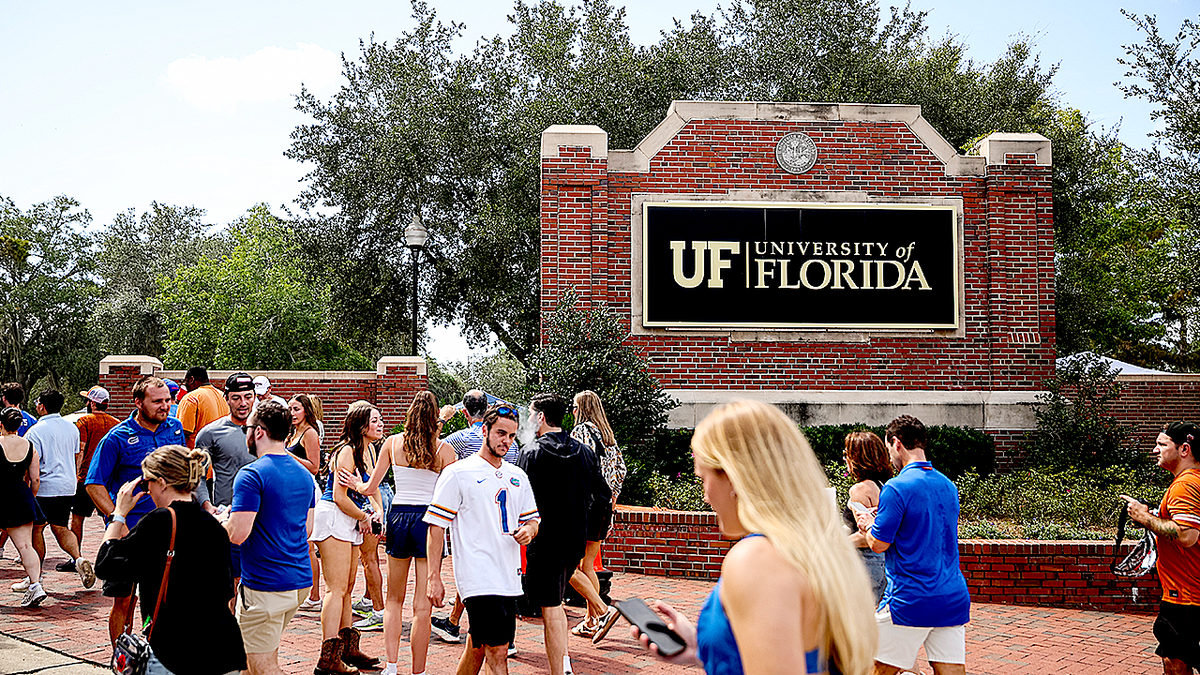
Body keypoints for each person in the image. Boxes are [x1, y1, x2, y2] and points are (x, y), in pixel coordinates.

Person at [632, 400, 877, 675]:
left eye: (703, 478)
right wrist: (706, 651)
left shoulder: (756, 560)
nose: (705, 497)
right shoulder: (809, 550)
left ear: (733, 477)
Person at [94, 445, 247, 675]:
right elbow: (226, 592)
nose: (148, 491)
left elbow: (105, 564)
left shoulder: (160, 521)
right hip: (224, 648)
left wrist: (119, 514)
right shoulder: (213, 525)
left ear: (162, 482)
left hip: (177, 652)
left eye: (147, 483)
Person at [341, 391, 456, 675]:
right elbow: (453, 496)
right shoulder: (444, 451)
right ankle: (419, 670)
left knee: (393, 599)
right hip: (430, 520)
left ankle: (392, 666)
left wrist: (356, 483)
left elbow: (371, 488)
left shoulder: (392, 444)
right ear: (435, 418)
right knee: (422, 606)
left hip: (400, 517)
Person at [426, 403, 539, 675]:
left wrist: (530, 530)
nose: (506, 441)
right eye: (501, 433)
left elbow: (533, 520)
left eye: (512, 436)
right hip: (477, 576)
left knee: (476, 648)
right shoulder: (457, 473)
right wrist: (434, 576)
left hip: (508, 576)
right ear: (485, 430)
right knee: (498, 651)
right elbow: (436, 527)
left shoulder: (517, 475)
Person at [854, 415, 971, 675]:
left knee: (867, 669)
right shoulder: (948, 486)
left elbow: (878, 545)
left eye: (888, 450)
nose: (890, 458)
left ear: (896, 443)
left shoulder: (896, 488)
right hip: (951, 597)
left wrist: (866, 525)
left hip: (910, 599)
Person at [85, 375, 187, 645]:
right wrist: (117, 519)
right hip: (130, 532)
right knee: (125, 600)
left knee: (165, 598)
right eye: (157, 401)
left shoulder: (175, 429)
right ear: (138, 402)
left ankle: (156, 655)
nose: (165, 406)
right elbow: (94, 484)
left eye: (168, 400)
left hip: (169, 529)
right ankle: (121, 658)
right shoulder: (117, 438)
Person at [518, 393, 610, 675]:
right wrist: (587, 523)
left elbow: (517, 494)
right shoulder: (585, 452)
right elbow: (603, 494)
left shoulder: (532, 452)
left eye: (532, 414)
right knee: (554, 601)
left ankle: (561, 667)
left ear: (542, 417)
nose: (530, 419)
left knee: (552, 606)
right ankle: (563, 663)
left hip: (543, 538)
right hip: (574, 539)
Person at [223, 401, 317, 675]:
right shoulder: (303, 474)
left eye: (247, 428)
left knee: (261, 667)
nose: (246, 433)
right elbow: (307, 529)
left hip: (266, 586)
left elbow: (238, 534)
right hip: (297, 580)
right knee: (251, 664)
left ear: (259, 432)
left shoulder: (252, 474)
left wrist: (221, 523)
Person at [431, 390, 513, 644]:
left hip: (472, 513)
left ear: (465, 412)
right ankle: (464, 624)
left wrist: (442, 419)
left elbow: (427, 446)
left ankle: (467, 627)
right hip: (505, 513)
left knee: (473, 569)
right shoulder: (511, 442)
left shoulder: (461, 438)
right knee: (502, 570)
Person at [310, 403, 385, 674]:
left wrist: (377, 511)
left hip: (353, 518)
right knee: (336, 587)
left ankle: (347, 648)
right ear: (361, 424)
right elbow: (340, 497)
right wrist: (364, 517)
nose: (380, 424)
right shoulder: (346, 451)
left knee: (348, 585)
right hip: (334, 516)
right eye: (375, 420)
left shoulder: (371, 449)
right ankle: (327, 657)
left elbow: (372, 487)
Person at [1122, 421, 1200, 675]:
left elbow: (1187, 534)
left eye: (1162, 444)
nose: (1155, 450)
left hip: (1187, 596)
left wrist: (1145, 518)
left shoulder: (1185, 485)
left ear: (1184, 449)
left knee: (1174, 661)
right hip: (1189, 593)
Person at [566, 390, 626, 642]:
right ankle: (592, 620)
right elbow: (621, 469)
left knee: (573, 564)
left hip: (586, 504)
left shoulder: (581, 432)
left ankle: (600, 614)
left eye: (574, 406)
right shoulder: (608, 435)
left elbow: (581, 466)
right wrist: (612, 498)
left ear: (581, 408)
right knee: (588, 564)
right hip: (603, 504)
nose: (571, 411)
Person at [23, 389, 96, 591]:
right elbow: (76, 455)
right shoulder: (72, 428)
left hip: (45, 485)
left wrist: (29, 487)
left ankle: (34, 577)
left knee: (37, 529)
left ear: (42, 406)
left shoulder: (35, 431)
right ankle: (78, 558)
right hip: (67, 485)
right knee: (61, 527)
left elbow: (32, 463)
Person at [0, 408, 48, 607]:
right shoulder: (29, 446)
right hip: (20, 495)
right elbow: (35, 478)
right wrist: (30, 496)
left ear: (1, 424)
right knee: (26, 546)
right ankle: (36, 585)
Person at [842, 430, 892, 605]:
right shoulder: (884, 487)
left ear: (858, 457)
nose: (844, 458)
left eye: (846, 453)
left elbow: (866, 535)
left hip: (864, 565)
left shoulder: (859, 490)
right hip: (883, 564)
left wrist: (836, 544)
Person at [70, 386, 119, 557]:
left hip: (86, 477)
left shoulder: (84, 422)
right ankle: (112, 552)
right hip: (108, 477)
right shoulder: (116, 424)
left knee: (77, 517)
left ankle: (76, 556)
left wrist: (76, 474)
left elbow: (81, 450)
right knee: (110, 515)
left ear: (92, 403)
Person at [288, 393, 325, 612]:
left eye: (296, 409)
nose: (292, 413)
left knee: (309, 544)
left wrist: (287, 455)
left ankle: (315, 596)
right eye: (290, 409)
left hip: (308, 489)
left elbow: (314, 466)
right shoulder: (293, 432)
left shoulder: (310, 433)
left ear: (306, 411)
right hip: (292, 490)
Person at [177, 367, 230, 449]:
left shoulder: (191, 398)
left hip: (197, 456)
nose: (185, 385)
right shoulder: (223, 396)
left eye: (186, 381)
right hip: (221, 452)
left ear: (191, 379)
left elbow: (183, 433)